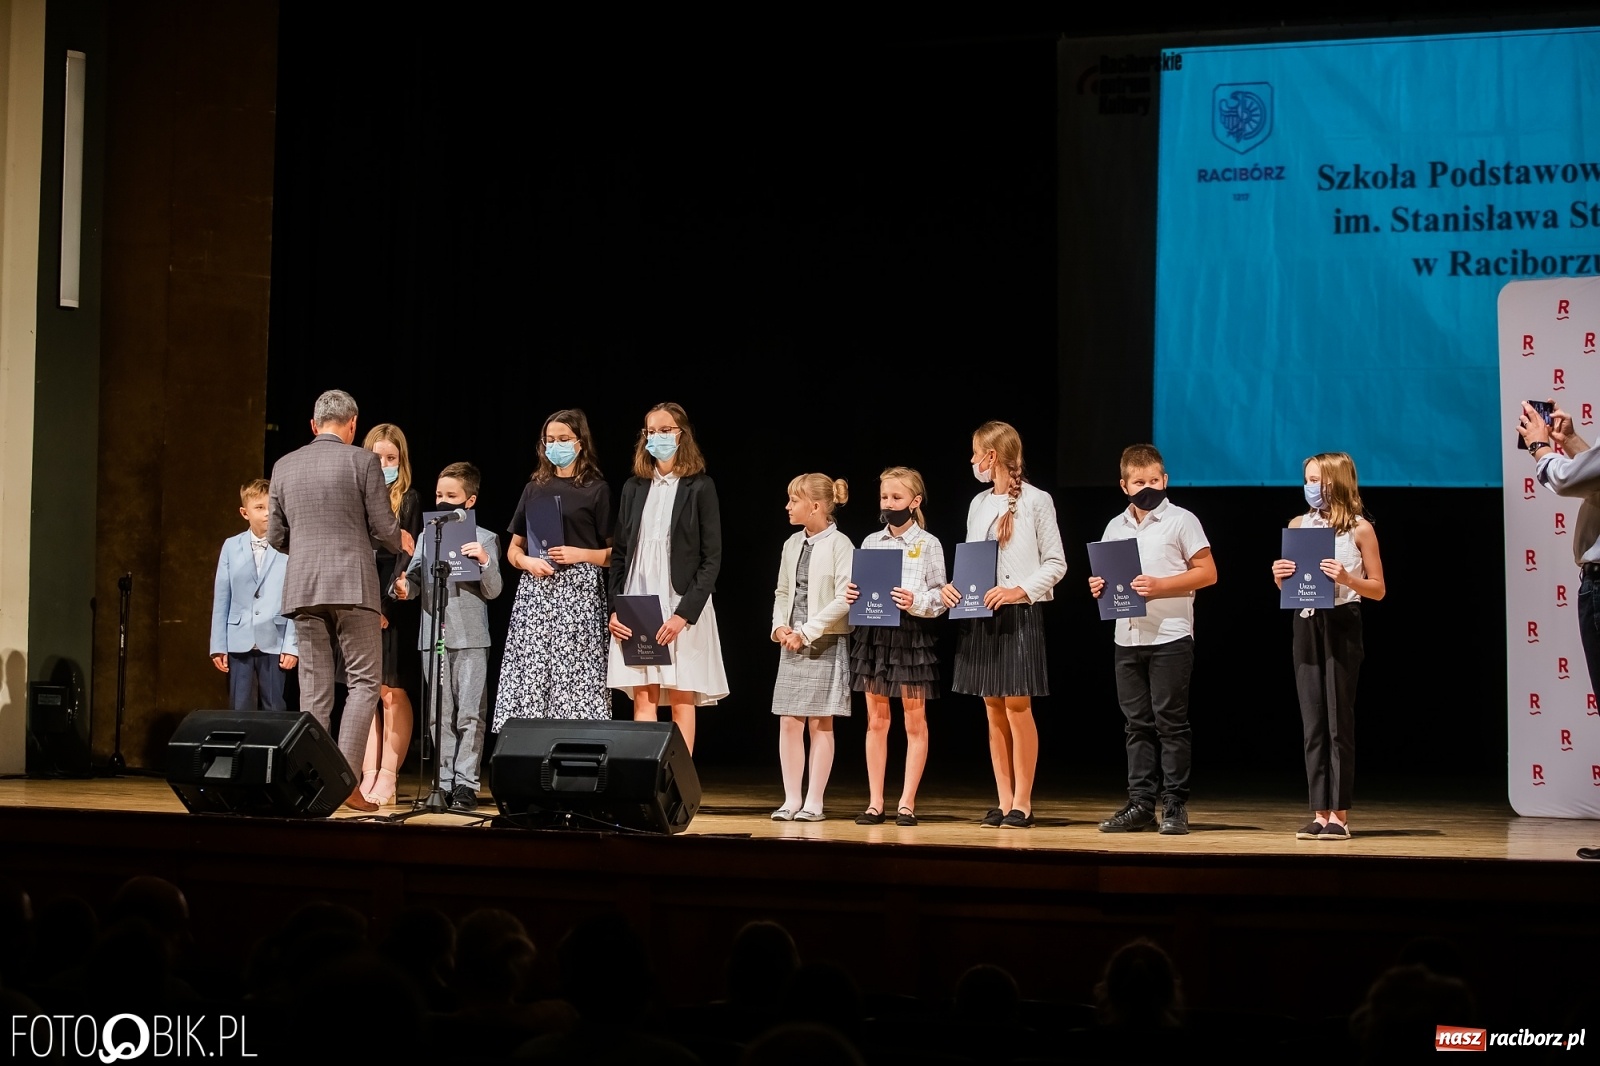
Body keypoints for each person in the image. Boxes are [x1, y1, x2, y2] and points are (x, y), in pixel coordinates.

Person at [268, 389, 412, 811]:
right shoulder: (362, 461)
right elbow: (385, 528)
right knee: (365, 682)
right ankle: (345, 782)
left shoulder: (283, 465)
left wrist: (312, 545)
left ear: (313, 426)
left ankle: (310, 781)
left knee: (313, 690)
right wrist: (398, 538)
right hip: (353, 586)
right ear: (352, 425)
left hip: (304, 589)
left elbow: (276, 536)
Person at [942, 422, 1066, 829]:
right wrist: (955, 589)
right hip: (979, 614)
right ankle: (1003, 798)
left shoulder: (1036, 500)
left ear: (991, 456)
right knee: (992, 709)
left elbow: (1056, 564)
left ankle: (1023, 803)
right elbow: (973, 560)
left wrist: (1017, 591)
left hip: (1018, 615)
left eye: (976, 452)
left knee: (1017, 708)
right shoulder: (978, 503)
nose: (973, 460)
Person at [1089, 444, 1216, 836]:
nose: (1147, 487)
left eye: (1154, 480)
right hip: (1126, 636)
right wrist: (1099, 586)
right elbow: (1111, 577)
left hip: (1170, 636)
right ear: (1124, 485)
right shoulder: (1115, 526)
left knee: (1171, 723)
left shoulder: (1181, 521)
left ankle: (1175, 803)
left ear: (1165, 480)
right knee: (1136, 724)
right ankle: (1141, 804)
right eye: (1139, 481)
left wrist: (1160, 587)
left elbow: (1208, 573)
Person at [1271, 452, 1385, 841]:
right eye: (1307, 478)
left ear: (1336, 481)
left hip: (1341, 623)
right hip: (1305, 623)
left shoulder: (1359, 529)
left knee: (1339, 720)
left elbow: (1379, 589)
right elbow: (1292, 584)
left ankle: (1340, 814)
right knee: (1313, 720)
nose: (1311, 486)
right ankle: (1319, 812)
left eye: (1317, 478)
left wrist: (1348, 579)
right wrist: (1280, 575)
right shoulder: (1298, 525)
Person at [607, 402, 728, 752]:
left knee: (681, 696)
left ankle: (678, 783)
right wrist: (616, 608)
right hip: (639, 599)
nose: (657, 437)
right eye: (651, 431)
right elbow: (620, 554)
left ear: (681, 435)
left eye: (665, 430)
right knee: (644, 696)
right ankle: (644, 778)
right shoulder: (634, 487)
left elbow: (711, 559)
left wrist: (683, 614)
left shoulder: (700, 487)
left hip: (681, 604)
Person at [493, 409, 613, 730]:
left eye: (563, 439)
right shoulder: (535, 488)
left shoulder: (596, 490)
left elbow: (616, 555)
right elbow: (513, 550)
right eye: (549, 440)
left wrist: (581, 554)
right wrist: (528, 562)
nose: (555, 445)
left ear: (580, 443)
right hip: (537, 593)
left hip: (579, 593)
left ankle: (579, 747)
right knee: (533, 671)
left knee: (576, 672)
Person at [394, 463, 503, 811]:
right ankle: (441, 783)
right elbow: (413, 583)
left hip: (470, 638)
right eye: (439, 495)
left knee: (470, 712)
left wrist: (484, 560)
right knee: (438, 714)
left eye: (451, 497)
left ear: (469, 501)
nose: (442, 502)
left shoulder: (484, 537)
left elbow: (494, 589)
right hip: (433, 636)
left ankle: (466, 783)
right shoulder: (427, 537)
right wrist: (403, 587)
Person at [846, 467, 947, 826]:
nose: (889, 504)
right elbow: (860, 587)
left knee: (914, 720)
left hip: (911, 634)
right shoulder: (872, 542)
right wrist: (852, 594)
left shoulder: (929, 544)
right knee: (876, 720)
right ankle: (876, 801)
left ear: (914, 501)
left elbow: (941, 594)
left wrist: (915, 600)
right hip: (875, 633)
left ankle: (907, 801)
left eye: (897, 498)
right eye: (884, 498)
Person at [769, 473, 852, 822]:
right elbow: (783, 592)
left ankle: (813, 801)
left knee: (820, 721)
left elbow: (844, 598)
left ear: (815, 506)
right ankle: (791, 799)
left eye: (794, 500)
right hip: (792, 640)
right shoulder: (791, 544)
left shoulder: (841, 545)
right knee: (789, 720)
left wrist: (807, 631)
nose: (788, 506)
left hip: (824, 639)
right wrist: (780, 627)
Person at [360, 423, 423, 805]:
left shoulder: (408, 499)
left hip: (392, 604)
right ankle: (367, 772)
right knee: (363, 696)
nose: (384, 464)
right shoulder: (356, 496)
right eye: (377, 457)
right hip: (359, 601)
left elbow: (407, 557)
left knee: (391, 692)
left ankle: (388, 774)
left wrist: (384, 605)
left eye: (391, 458)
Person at [209, 479, 298, 711]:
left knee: (275, 708)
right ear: (244, 512)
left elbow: (296, 597)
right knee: (240, 708)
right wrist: (218, 644)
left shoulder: (290, 546)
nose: (267, 513)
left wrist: (291, 645)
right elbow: (222, 597)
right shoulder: (231, 546)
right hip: (239, 640)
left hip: (274, 639)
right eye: (259, 507)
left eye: (272, 507)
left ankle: (273, 749)